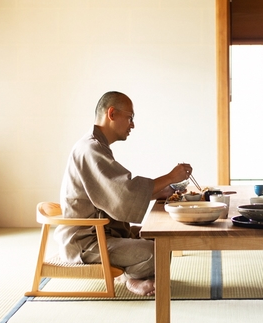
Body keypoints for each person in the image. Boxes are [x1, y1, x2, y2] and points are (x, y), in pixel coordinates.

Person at [54, 91, 192, 296]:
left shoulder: (96, 146)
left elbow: (114, 192)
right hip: (88, 242)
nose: (132, 125)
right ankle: (133, 278)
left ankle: (141, 276)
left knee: (163, 240)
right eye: (130, 117)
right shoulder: (90, 149)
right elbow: (125, 191)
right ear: (111, 113)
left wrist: (160, 191)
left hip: (105, 233)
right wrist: (170, 177)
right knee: (156, 253)